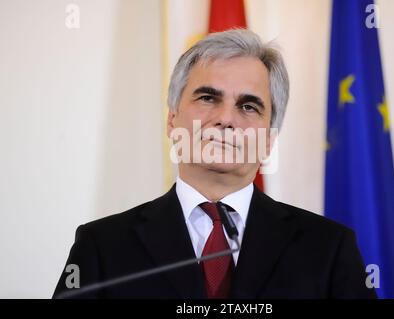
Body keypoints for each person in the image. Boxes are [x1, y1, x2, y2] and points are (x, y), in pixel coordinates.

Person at [53, 29, 376, 299]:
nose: (225, 119)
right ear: (172, 120)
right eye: (208, 98)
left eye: (249, 106)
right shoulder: (102, 245)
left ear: (269, 138)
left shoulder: (330, 248)